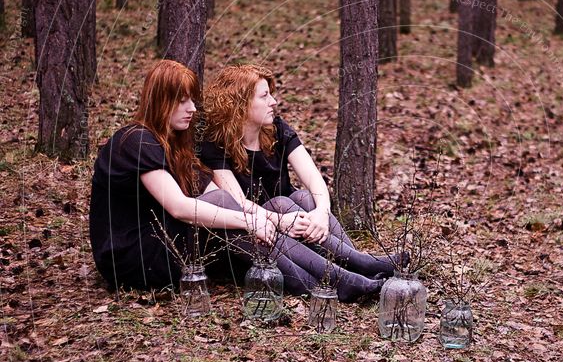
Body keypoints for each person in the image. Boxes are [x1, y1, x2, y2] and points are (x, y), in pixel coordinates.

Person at [201, 64, 403, 301]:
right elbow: (237, 201)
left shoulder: (277, 129)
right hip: (254, 239)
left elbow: (312, 177)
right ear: (240, 103)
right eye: (265, 96)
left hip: (296, 227)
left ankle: (357, 267)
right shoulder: (215, 145)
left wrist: (321, 212)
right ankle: (354, 271)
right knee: (280, 203)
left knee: (304, 198)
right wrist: (279, 220)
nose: (274, 101)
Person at [89, 60, 279, 291]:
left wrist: (274, 220)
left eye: (192, 100)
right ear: (161, 102)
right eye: (182, 101)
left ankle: (320, 272)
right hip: (135, 258)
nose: (193, 109)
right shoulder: (136, 140)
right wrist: (249, 222)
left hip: (168, 241)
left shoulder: (175, 144)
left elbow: (225, 198)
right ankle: (305, 279)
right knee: (221, 207)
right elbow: (179, 208)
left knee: (270, 207)